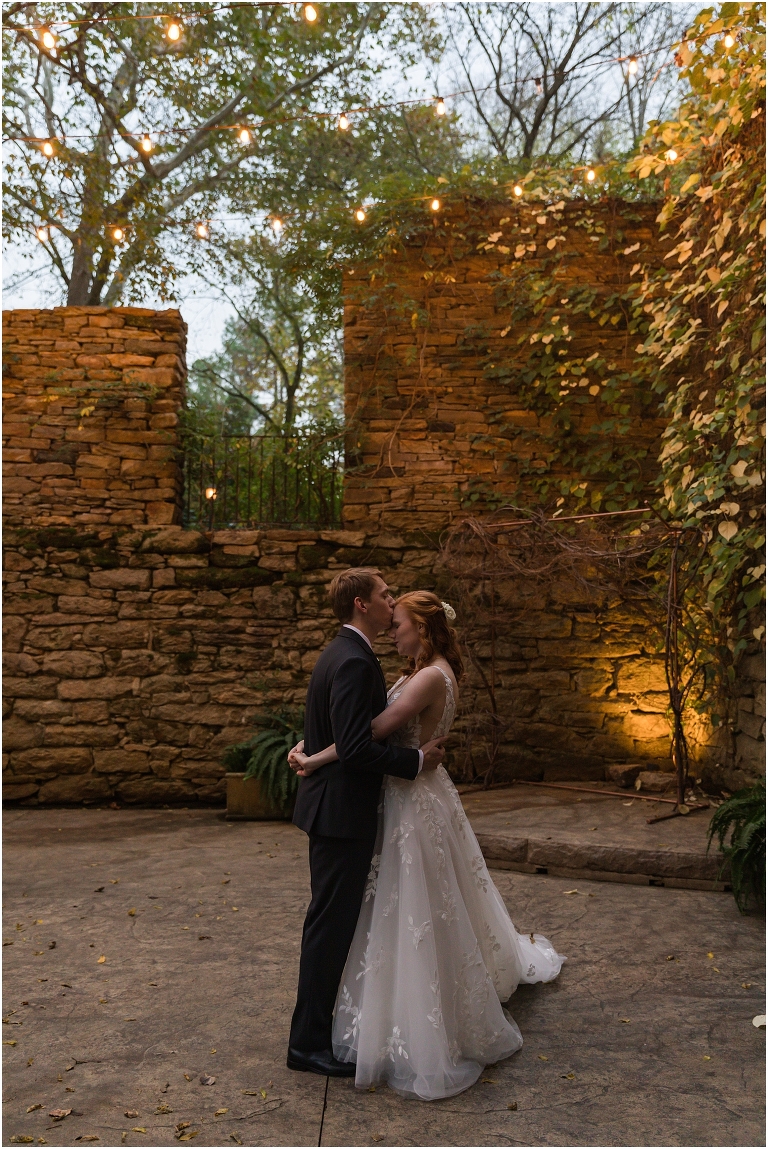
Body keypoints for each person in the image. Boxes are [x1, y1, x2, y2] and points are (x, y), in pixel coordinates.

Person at [289, 590, 566, 1100]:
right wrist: (313, 747)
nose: (393, 629)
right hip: (404, 796)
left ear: (423, 626)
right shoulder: (414, 671)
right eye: (389, 617)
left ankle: (417, 1014)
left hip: (411, 802)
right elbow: (356, 729)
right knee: (410, 906)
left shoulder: (430, 676)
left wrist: (316, 757)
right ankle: (361, 1019)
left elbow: (371, 732)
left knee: (415, 907)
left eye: (400, 622)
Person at [286, 568, 447, 1078]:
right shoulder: (354, 661)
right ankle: (306, 1044)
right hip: (341, 815)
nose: (390, 600)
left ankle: (316, 1032)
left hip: (335, 809)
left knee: (331, 926)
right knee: (328, 929)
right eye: (384, 595)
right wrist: (416, 764)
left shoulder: (344, 653)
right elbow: (356, 747)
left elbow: (339, 730)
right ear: (361, 604)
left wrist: (310, 751)